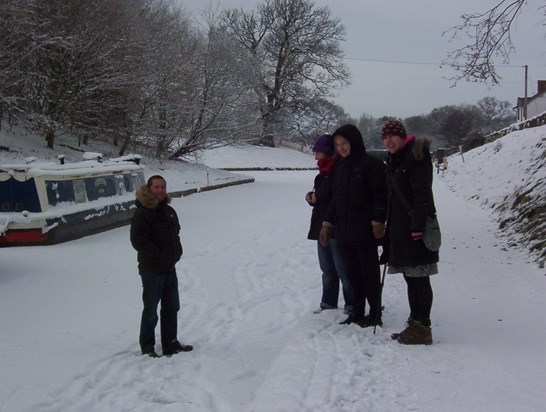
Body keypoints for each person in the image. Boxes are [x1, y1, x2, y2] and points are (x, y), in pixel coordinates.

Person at [320, 124, 387, 328]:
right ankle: (357, 312)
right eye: (337, 144)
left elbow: (381, 195)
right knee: (352, 274)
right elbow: (335, 199)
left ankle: (375, 313)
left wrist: (378, 221)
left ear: (354, 142)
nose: (341, 148)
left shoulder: (371, 165)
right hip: (344, 231)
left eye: (345, 143)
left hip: (365, 231)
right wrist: (326, 224)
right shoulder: (339, 167)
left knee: (369, 275)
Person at [381, 120, 439, 345]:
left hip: (415, 229)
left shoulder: (416, 156)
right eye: (385, 137)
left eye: (393, 136)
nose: (389, 140)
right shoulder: (395, 159)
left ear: (402, 136)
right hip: (400, 229)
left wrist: (417, 226)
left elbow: (422, 194)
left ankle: (423, 326)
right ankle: (415, 322)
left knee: (419, 279)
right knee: (410, 277)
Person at [130, 175, 193, 357]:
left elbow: (176, 234)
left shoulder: (169, 211)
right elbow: (138, 240)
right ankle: (147, 347)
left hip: (169, 268)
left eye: (163, 187)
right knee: (151, 309)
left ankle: (170, 343)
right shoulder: (142, 213)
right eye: (156, 187)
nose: (160, 190)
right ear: (149, 189)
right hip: (152, 270)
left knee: (172, 307)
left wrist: (176, 252)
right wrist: (159, 255)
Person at [306, 134, 354, 314]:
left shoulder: (338, 171)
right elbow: (321, 197)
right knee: (327, 269)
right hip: (321, 226)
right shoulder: (322, 174)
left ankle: (351, 304)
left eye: (318, 151)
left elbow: (338, 198)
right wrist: (311, 198)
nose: (315, 156)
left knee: (344, 270)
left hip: (336, 227)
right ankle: (328, 302)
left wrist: (320, 198)